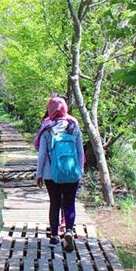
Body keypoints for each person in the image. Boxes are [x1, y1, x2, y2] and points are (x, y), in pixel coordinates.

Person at [34, 96, 84, 252]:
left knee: (54, 203)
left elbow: (42, 155)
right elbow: (80, 151)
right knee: (69, 203)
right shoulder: (73, 126)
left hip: (51, 174)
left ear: (50, 109)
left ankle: (55, 238)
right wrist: (80, 170)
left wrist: (39, 175)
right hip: (71, 172)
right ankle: (68, 230)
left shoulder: (47, 127)